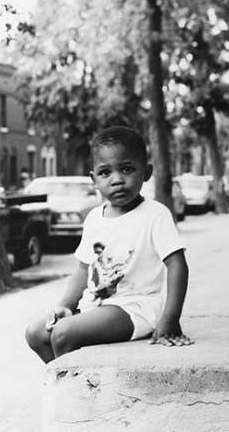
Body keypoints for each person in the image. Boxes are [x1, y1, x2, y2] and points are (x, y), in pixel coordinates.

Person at [26, 126, 192, 363]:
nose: (116, 180)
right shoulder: (94, 218)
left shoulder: (155, 214)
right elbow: (84, 269)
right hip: (95, 305)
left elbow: (177, 266)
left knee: (64, 334)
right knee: (36, 333)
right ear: (94, 179)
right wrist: (65, 305)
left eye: (126, 169)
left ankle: (78, 396)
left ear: (146, 173)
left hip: (136, 307)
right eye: (105, 173)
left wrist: (171, 317)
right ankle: (70, 385)